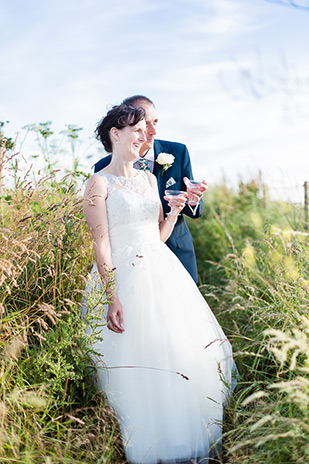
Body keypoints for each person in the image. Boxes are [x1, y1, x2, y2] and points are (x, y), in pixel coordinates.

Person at [82, 104, 237, 464]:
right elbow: (100, 243)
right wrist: (111, 295)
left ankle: (184, 434)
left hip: (162, 271)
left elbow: (159, 235)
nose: (144, 135)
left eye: (143, 129)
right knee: (135, 357)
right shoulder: (97, 183)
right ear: (115, 134)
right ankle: (138, 439)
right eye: (135, 129)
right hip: (123, 277)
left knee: (175, 349)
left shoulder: (150, 180)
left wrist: (175, 211)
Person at [94, 95, 207, 284]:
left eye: (156, 121)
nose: (153, 131)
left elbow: (192, 209)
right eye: (146, 125)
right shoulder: (102, 169)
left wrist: (193, 200)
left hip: (177, 252)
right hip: (128, 263)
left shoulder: (178, 152)